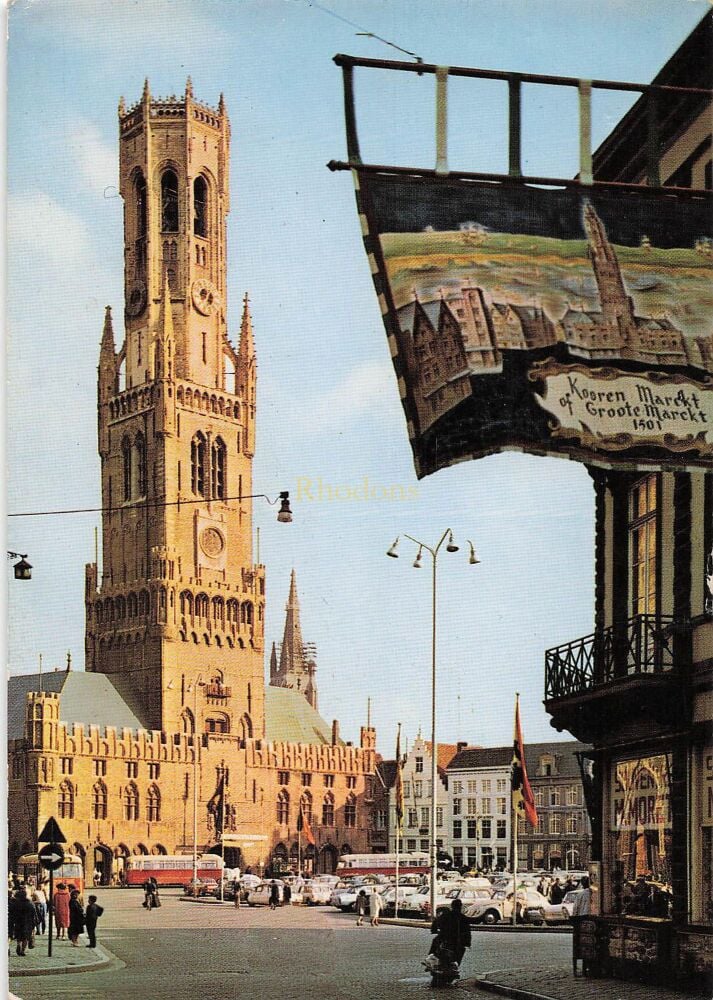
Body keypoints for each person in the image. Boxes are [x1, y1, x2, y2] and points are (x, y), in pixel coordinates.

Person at [429, 898, 472, 969]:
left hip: (445, 937)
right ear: (460, 907)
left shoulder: (446, 915)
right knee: (461, 949)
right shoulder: (463, 918)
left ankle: (431, 957)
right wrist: (468, 942)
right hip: (457, 940)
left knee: (435, 941)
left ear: (452, 906)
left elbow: (436, 922)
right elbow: (467, 932)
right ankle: (456, 963)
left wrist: (434, 930)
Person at [11, 889, 37, 956]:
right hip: (28, 923)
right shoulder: (30, 904)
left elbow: (13, 914)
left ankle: (18, 944)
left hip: (18, 922)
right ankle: (22, 950)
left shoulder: (15, 904)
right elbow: (34, 914)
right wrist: (34, 924)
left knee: (19, 936)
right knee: (25, 938)